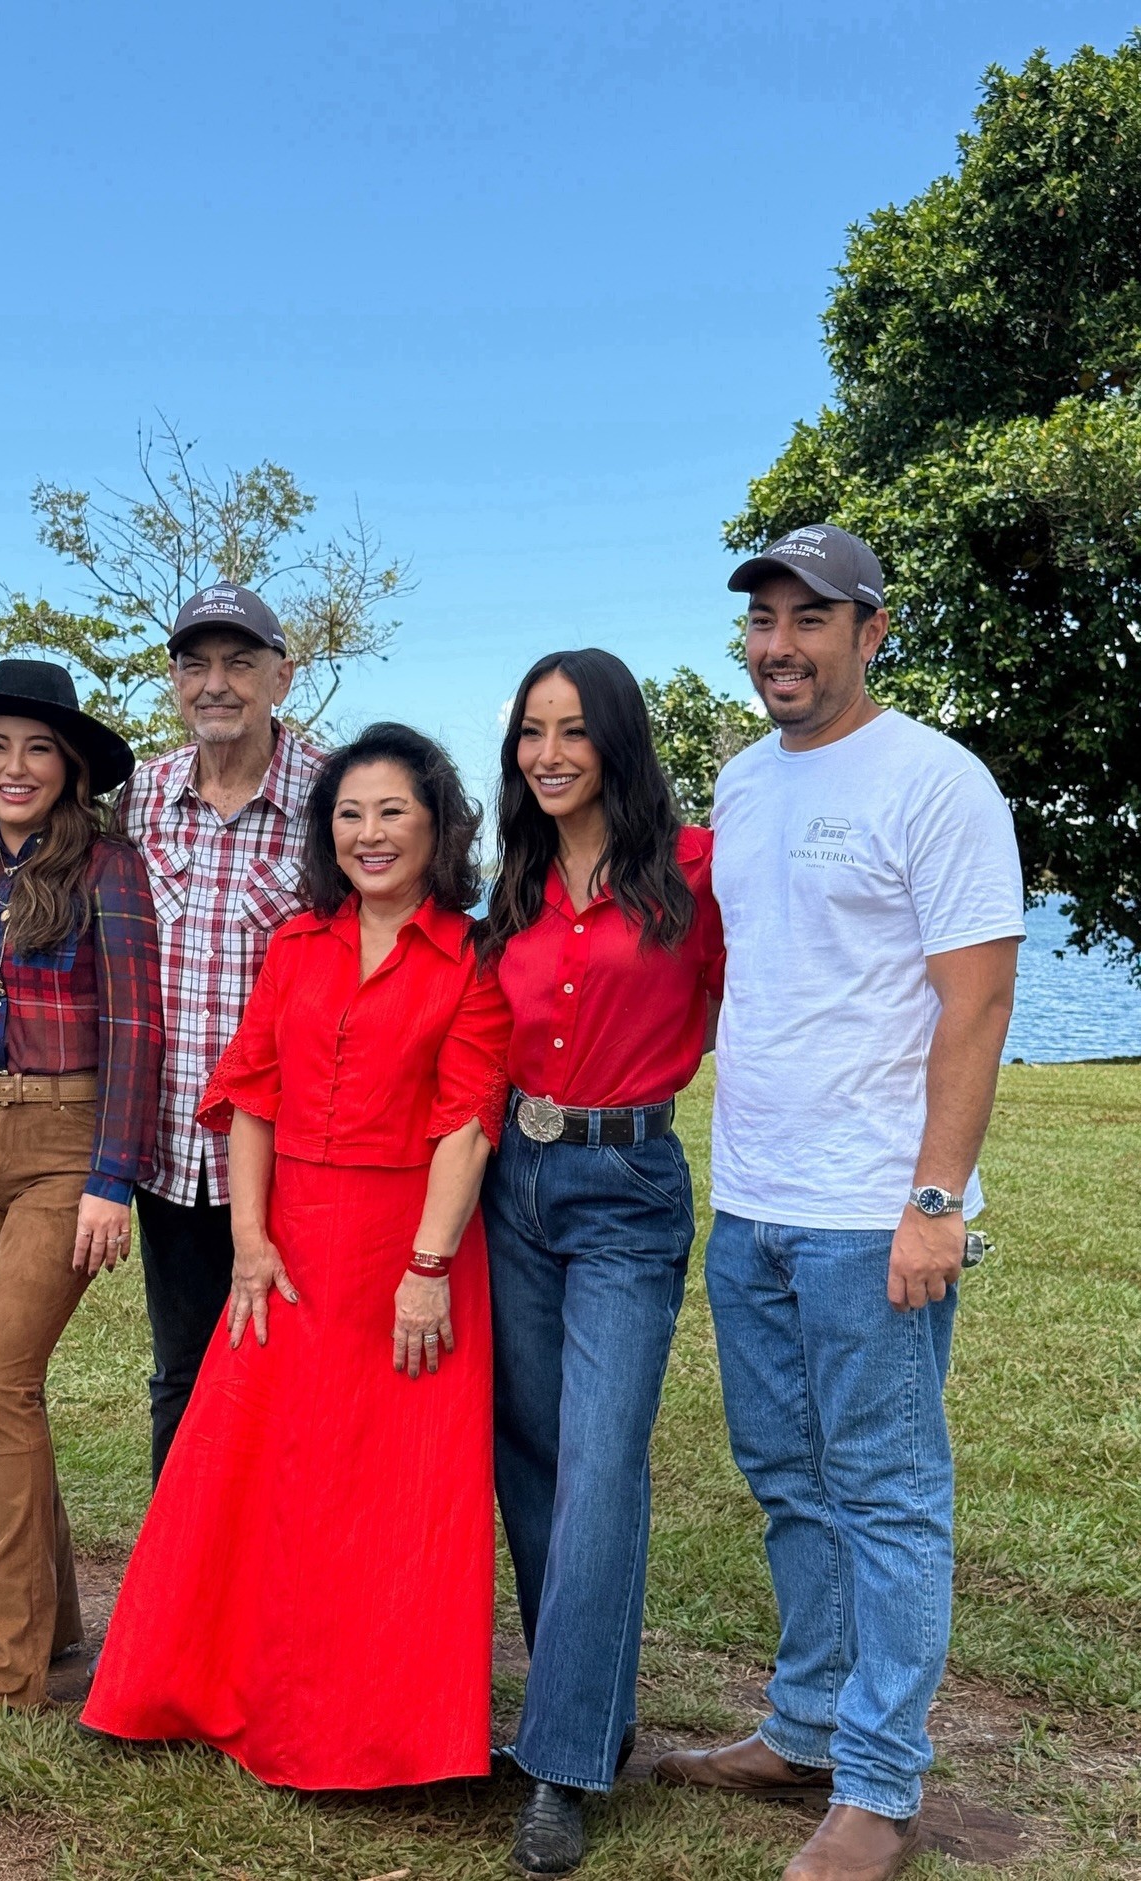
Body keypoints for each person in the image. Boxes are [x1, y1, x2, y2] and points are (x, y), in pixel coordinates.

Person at [653, 526, 1024, 1881]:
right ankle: (804, 1727)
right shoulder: (745, 783)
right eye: (762, 619)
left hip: (877, 1212)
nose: (779, 645)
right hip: (753, 1203)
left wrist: (935, 1199)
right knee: (786, 1480)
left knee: (884, 1491)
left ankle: (877, 1785)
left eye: (811, 619)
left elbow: (977, 1002)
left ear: (873, 630)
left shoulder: (939, 781)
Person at [80, 724, 512, 1790]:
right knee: (253, 1471)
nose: (369, 834)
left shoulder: (472, 956)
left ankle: (382, 1736)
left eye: (392, 812)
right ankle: (201, 1692)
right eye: (349, 814)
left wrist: (424, 1269)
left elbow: (466, 1123)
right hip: (287, 1247)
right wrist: (250, 1242)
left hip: (410, 1250)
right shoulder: (296, 944)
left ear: (439, 827)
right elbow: (253, 1094)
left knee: (390, 1492)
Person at [0, 582, 324, 1488]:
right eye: (195, 664)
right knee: (182, 1375)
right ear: (175, 680)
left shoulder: (334, 804)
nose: (215, 683)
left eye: (240, 662)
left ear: (281, 676)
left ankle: (280, 1609)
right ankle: (176, 1616)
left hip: (297, 1148)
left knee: (296, 1376)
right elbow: (13, 899)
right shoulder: (138, 801)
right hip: (173, 1148)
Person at [475, 650, 725, 1876]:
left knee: (600, 1463)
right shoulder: (513, 884)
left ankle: (561, 1764)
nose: (550, 753)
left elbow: (768, 1014)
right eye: (531, 732)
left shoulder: (696, 873)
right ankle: (592, 1714)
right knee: (526, 1454)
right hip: (507, 1184)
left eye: (573, 730)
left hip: (626, 1187)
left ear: (618, 739)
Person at [0, 659, 163, 1715]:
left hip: (66, 1143)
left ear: (70, 767)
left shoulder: (109, 869)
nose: (16, 767)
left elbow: (138, 1030)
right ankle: (52, 1626)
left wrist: (111, 1177)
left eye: (38, 748)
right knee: (0, 1387)